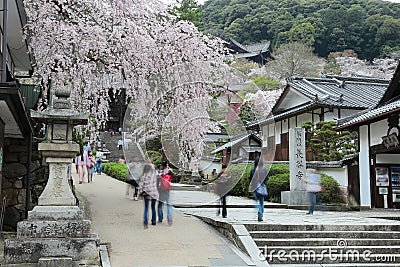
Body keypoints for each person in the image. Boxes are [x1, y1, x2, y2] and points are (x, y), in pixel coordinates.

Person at [138, 163, 159, 229]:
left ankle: (145, 222)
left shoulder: (143, 176)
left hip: (146, 193)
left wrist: (139, 193)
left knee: (146, 208)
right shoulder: (155, 174)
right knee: (153, 207)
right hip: (154, 193)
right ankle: (154, 221)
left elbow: (140, 186)